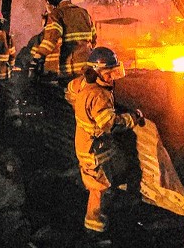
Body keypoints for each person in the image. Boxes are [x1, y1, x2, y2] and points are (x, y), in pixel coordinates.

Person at [67, 47, 143, 244]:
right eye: (108, 73)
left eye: (113, 72)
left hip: (92, 147)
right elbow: (110, 125)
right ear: (95, 72)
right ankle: (94, 233)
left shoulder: (82, 84)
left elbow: (70, 90)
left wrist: (79, 106)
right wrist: (133, 118)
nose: (112, 78)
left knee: (115, 170)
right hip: (94, 152)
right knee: (100, 190)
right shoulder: (99, 95)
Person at [32, 0, 96, 85]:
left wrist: (38, 57)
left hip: (69, 70)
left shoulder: (56, 14)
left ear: (53, 0)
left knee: (68, 97)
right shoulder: (84, 13)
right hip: (87, 68)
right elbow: (93, 39)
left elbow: (51, 39)